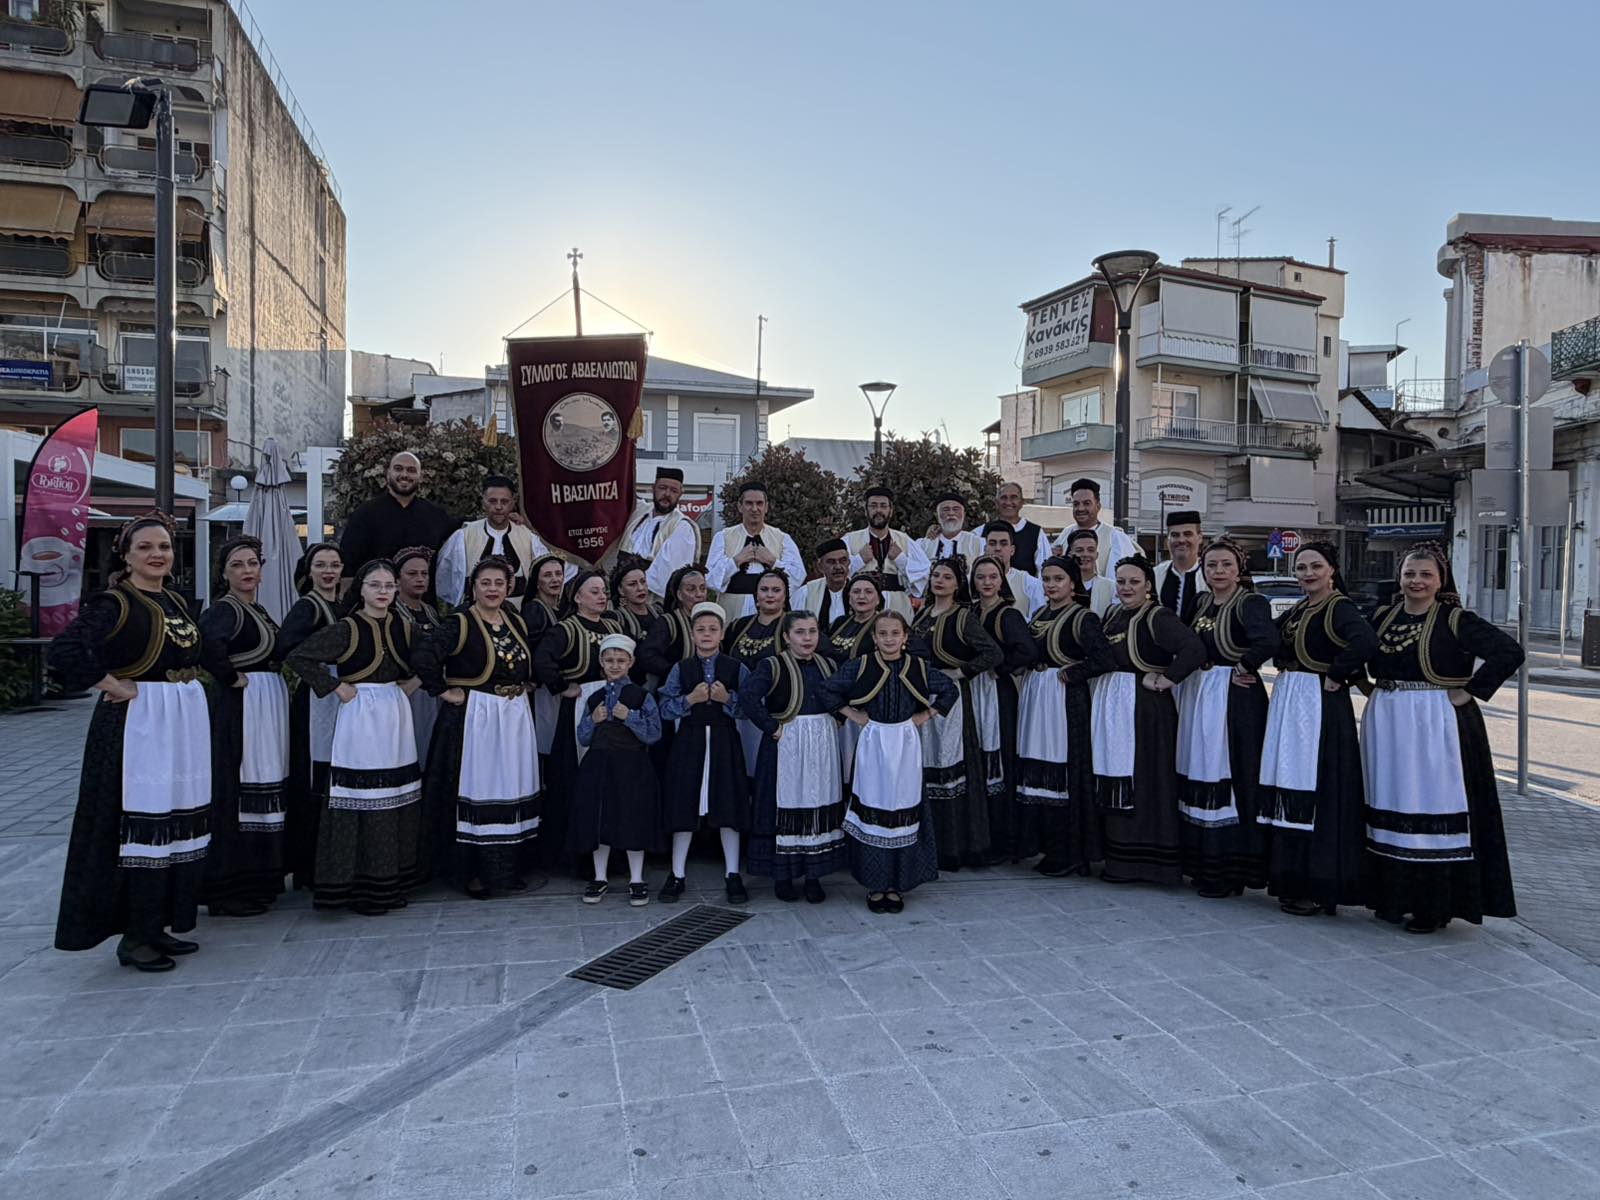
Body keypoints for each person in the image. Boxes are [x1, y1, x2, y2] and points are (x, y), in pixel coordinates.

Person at [49, 513, 223, 971]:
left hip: (176, 722)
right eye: (145, 547)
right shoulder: (112, 602)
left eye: (164, 546)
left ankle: (157, 924)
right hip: (136, 726)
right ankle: (134, 935)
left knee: (173, 820)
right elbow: (65, 650)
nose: (157, 554)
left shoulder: (173, 600)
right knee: (136, 826)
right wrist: (111, 683)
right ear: (125, 555)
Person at [1362, 544, 1523, 934]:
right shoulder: (1383, 615)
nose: (1416, 581)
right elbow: (1352, 650)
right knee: (1389, 798)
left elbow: (1508, 651)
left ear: (1440, 580)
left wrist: (1470, 689)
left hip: (1434, 723)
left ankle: (1433, 906)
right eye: (1409, 574)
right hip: (1388, 719)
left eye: (1425, 575)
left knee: (1428, 803)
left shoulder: (1456, 619)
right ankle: (1393, 897)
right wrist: (1357, 683)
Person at [286, 559, 424, 915]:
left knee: (395, 795)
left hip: (394, 713)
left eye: (389, 586)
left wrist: (416, 681)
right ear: (360, 589)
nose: (383, 592)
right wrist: (334, 686)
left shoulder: (402, 626)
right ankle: (360, 887)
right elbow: (299, 655)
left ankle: (390, 883)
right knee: (362, 797)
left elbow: (433, 654)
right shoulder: (347, 628)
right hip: (361, 714)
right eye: (375, 585)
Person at [1257, 541, 1377, 917]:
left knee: (1319, 790)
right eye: (1301, 568)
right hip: (1292, 700)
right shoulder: (1299, 607)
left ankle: (1319, 883)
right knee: (1290, 784)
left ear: (1331, 570)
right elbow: (1265, 636)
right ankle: (1292, 879)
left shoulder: (1338, 607)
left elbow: (1365, 641)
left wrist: (1338, 674)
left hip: (1318, 705)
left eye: (1315, 566)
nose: (1307, 574)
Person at [413, 558, 544, 899]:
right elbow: (423, 655)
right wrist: (442, 690)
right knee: (476, 791)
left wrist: (527, 683)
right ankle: (471, 871)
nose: (492, 589)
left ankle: (507, 869)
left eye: (499, 583)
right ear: (473, 587)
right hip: (474, 720)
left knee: (510, 788)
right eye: (485, 583)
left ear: (509, 587)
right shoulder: (458, 622)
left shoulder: (514, 620)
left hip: (512, 717)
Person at [819, 611, 959, 913]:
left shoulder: (918, 667)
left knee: (903, 810)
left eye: (895, 633)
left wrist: (927, 714)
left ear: (905, 637)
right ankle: (875, 883)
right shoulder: (861, 666)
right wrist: (852, 714)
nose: (889, 639)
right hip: (873, 744)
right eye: (882, 634)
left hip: (905, 744)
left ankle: (897, 883)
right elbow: (827, 689)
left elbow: (950, 689)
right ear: (874, 637)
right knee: (874, 809)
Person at [1092, 556, 1206, 885]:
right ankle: (1119, 858)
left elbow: (1193, 649)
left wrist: (1166, 679)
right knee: (1117, 776)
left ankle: (1149, 862)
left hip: (1143, 709)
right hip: (1113, 704)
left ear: (1148, 586)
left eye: (1134, 582)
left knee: (1144, 779)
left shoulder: (1158, 616)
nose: (1127, 587)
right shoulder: (1114, 614)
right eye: (1122, 581)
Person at [1176, 539, 1278, 898]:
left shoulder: (1251, 603)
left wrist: (1244, 665)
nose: (1217, 572)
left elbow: (1268, 641)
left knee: (1230, 773)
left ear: (1238, 570)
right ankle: (1200, 863)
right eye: (1211, 566)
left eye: (1225, 565)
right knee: (1199, 768)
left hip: (1232, 696)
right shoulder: (1200, 602)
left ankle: (1229, 870)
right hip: (1200, 692)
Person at [198, 535, 290, 918]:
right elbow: (204, 643)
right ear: (224, 573)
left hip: (265, 703)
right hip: (242, 705)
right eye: (237, 565)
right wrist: (229, 676)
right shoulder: (225, 609)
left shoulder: (258, 609)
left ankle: (261, 877)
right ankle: (229, 885)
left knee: (263, 784)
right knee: (237, 788)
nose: (247, 571)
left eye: (252, 563)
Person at [1016, 555, 1113, 877]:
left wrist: (1073, 674)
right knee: (1038, 770)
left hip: (1063, 700)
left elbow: (1103, 658)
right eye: (1046, 579)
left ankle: (1071, 851)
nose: (1051, 585)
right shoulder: (1041, 613)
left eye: (1058, 579)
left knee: (1065, 773)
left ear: (1073, 582)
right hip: (1036, 697)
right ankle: (1045, 845)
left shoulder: (1084, 618)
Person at [741, 612, 846, 902]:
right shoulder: (771, 665)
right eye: (800, 632)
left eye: (812, 631)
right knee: (784, 805)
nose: (807, 638)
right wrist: (772, 727)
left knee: (817, 800)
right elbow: (747, 697)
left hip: (820, 742)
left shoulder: (829, 664)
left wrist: (837, 718)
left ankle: (813, 876)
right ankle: (783, 876)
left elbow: (842, 694)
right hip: (786, 742)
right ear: (786, 637)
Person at [910, 557, 1004, 870]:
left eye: (947, 577)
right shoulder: (922, 614)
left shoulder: (963, 616)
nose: (939, 581)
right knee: (926, 767)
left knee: (953, 769)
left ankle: (958, 846)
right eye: (936, 575)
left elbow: (993, 653)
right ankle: (931, 843)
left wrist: (961, 672)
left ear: (957, 584)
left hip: (952, 703)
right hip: (922, 699)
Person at [657, 602, 751, 905]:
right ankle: (677, 873)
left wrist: (727, 699)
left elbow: (749, 709)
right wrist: (690, 700)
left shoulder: (737, 668)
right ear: (693, 634)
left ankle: (733, 874)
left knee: (728, 806)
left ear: (722, 634)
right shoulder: (680, 668)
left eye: (713, 629)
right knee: (684, 805)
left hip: (724, 741)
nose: (707, 634)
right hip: (691, 741)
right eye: (701, 630)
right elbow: (664, 708)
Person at [531, 569, 621, 872]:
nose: (601, 596)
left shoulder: (613, 625)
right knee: (576, 777)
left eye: (603, 591)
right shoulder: (565, 629)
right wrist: (562, 686)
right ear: (577, 596)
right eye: (593, 591)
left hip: (612, 703)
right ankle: (576, 855)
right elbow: (542, 660)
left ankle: (609, 850)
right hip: (581, 705)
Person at [571, 634, 663, 906]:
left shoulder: (641, 696)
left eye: (620, 661)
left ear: (631, 662)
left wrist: (630, 717)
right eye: (609, 660)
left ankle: (636, 879)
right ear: (601, 662)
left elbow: (654, 733)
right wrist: (593, 720)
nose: (614, 665)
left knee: (633, 818)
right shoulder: (595, 697)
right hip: (599, 764)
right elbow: (583, 737)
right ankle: (600, 877)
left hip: (632, 765)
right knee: (599, 820)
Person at [278, 542, 344, 890]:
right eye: (321, 565)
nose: (329, 571)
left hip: (341, 698)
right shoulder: (308, 607)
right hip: (317, 699)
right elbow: (287, 648)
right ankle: (308, 865)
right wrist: (323, 679)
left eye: (334, 564)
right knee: (313, 777)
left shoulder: (340, 604)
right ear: (310, 571)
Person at [970, 554, 1038, 861]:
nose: (986, 582)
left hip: (997, 693)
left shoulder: (1008, 615)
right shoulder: (969, 611)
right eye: (981, 577)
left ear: (1001, 580)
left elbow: (1027, 649)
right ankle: (980, 835)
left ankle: (1004, 839)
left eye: (992, 577)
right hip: (973, 690)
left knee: (1000, 760)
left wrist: (1002, 668)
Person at [436, 474, 565, 607]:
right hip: (475, 617)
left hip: (519, 617)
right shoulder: (464, 536)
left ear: (513, 502)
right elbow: (446, 581)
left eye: (504, 501)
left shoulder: (529, 537)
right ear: (483, 502)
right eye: (492, 501)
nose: (498, 507)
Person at [338, 451, 454, 580]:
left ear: (420, 477)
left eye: (411, 470)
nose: (404, 475)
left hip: (423, 598)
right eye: (398, 469)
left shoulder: (436, 516)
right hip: (378, 595)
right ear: (388, 474)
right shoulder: (365, 514)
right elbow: (348, 564)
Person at [705, 481, 805, 620]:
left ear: (766, 507)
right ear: (740, 506)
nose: (754, 508)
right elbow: (710, 578)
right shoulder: (723, 537)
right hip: (731, 610)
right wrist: (737, 560)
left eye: (759, 503)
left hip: (772, 610)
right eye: (749, 503)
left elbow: (798, 576)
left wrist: (772, 561)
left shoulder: (782, 538)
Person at [843, 486, 930, 619]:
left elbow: (925, 573)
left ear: (891, 510)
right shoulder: (849, 540)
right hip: (861, 606)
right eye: (873, 506)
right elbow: (836, 574)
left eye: (883, 506)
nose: (878, 510)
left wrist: (901, 560)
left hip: (898, 607)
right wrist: (859, 560)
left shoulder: (905, 540)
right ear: (866, 510)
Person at [393, 546, 444, 767]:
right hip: (405, 690)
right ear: (397, 579)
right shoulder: (392, 613)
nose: (420, 579)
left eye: (424, 574)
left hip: (431, 691)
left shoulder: (430, 611)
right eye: (412, 574)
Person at [619, 467, 701, 600]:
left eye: (674, 491)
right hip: (621, 590)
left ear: (680, 494)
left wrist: (633, 585)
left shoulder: (682, 526)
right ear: (653, 488)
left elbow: (668, 571)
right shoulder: (639, 511)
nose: (667, 494)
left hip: (649, 598)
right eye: (662, 488)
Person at [522, 552, 570, 761]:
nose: (555, 579)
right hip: (543, 687)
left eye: (558, 574)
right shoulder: (534, 610)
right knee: (546, 737)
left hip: (562, 683)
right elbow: (529, 649)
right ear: (537, 582)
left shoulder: (563, 608)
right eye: (548, 575)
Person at [1052, 478, 1137, 578]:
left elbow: (1117, 581)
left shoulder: (1114, 537)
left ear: (1098, 506)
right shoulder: (1066, 533)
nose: (1080, 508)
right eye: (1076, 504)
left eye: (1086, 503)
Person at [609, 555, 662, 682]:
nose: (640, 588)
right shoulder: (617, 619)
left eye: (643, 582)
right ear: (621, 590)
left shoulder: (659, 611)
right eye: (632, 584)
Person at [981, 522, 1046, 618]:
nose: (998, 548)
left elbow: (1038, 622)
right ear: (985, 548)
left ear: (1012, 550)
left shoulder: (1030, 584)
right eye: (992, 543)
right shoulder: (972, 581)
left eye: (1003, 544)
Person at [1155, 510, 1207, 625]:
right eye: (1175, 535)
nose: (1181, 540)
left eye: (1188, 534)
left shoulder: (1209, 574)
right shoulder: (1156, 574)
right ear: (1168, 540)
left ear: (1199, 537)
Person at [823, 574, 886, 665]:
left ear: (878, 599)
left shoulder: (884, 625)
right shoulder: (839, 622)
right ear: (849, 598)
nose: (861, 596)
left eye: (868, 592)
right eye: (856, 592)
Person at [994, 481, 1051, 575]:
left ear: (1022, 502)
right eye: (1003, 497)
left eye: (1014, 497)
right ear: (996, 503)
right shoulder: (982, 532)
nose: (1008, 502)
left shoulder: (1036, 533)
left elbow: (1044, 570)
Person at [918, 492, 984, 566]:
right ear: (937, 515)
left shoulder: (978, 544)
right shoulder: (922, 545)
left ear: (964, 514)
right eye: (946, 510)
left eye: (956, 509)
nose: (951, 513)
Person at [799, 538, 853, 629]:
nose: (838, 566)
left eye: (843, 561)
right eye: (831, 562)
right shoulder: (806, 593)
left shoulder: (859, 591)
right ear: (820, 567)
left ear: (849, 563)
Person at [1064, 528, 1116, 617]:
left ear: (1097, 554)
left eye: (1091, 550)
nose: (1085, 554)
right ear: (1070, 554)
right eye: (1079, 550)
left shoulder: (1110, 586)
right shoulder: (1063, 586)